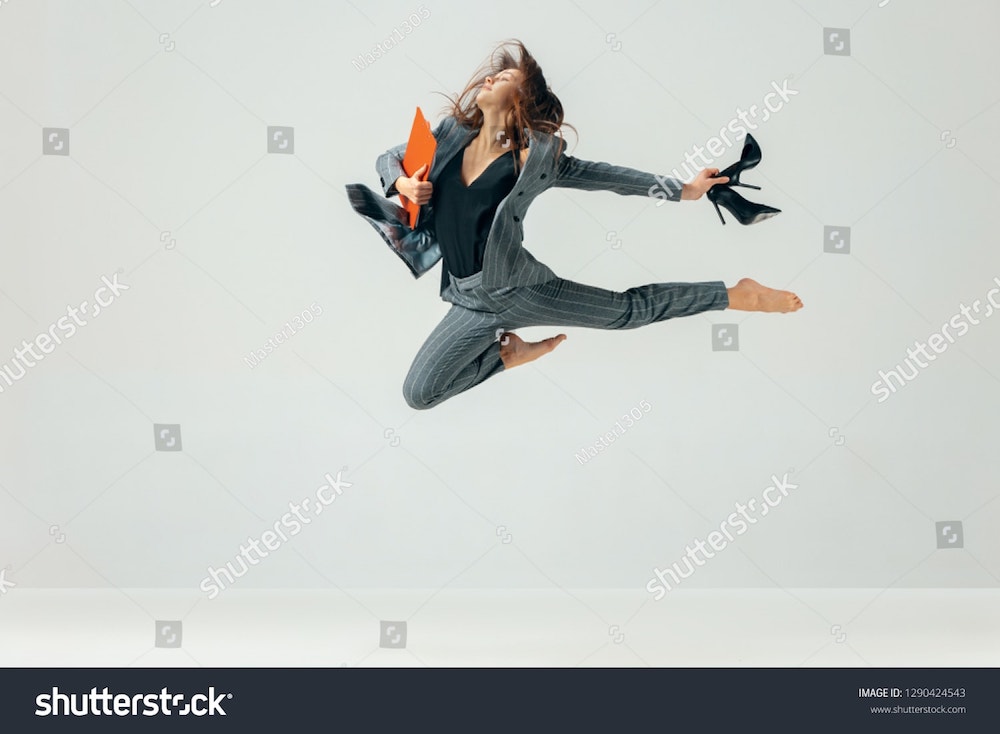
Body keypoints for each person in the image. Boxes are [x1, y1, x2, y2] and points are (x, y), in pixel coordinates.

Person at [349, 39, 802, 410]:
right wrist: (404, 183)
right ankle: (510, 357)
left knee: (626, 312)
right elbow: (386, 159)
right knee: (418, 395)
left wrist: (686, 190)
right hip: (467, 299)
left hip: (522, 291)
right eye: (493, 75)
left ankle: (735, 294)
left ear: (521, 101)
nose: (488, 79)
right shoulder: (449, 136)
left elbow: (614, 179)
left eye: (504, 78)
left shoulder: (538, 160)